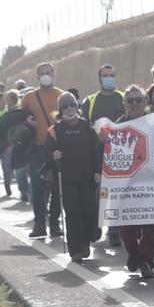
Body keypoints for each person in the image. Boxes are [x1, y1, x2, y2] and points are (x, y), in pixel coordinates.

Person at [110, 86, 154, 278]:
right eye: (130, 100)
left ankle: (146, 261)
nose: (135, 104)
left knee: (150, 227)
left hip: (151, 182)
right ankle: (133, 252)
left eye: (138, 100)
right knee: (126, 227)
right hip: (126, 184)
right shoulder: (117, 127)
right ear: (124, 104)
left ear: (145, 101)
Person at [48, 93, 101, 263]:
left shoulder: (86, 126)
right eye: (65, 106)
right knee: (72, 214)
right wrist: (53, 155)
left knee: (89, 211)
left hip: (86, 176)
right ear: (60, 109)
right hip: (67, 179)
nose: (70, 109)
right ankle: (75, 249)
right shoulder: (54, 130)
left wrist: (97, 170)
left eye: (72, 105)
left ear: (76, 107)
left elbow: (95, 150)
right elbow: (46, 154)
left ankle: (86, 242)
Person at [21, 62, 66, 238]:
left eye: (48, 72)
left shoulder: (62, 96)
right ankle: (39, 223)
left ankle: (54, 223)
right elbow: (20, 119)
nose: (45, 75)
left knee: (57, 186)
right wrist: (27, 122)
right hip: (37, 148)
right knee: (38, 186)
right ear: (37, 77)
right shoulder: (29, 98)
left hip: (57, 147)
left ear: (54, 74)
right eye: (42, 73)